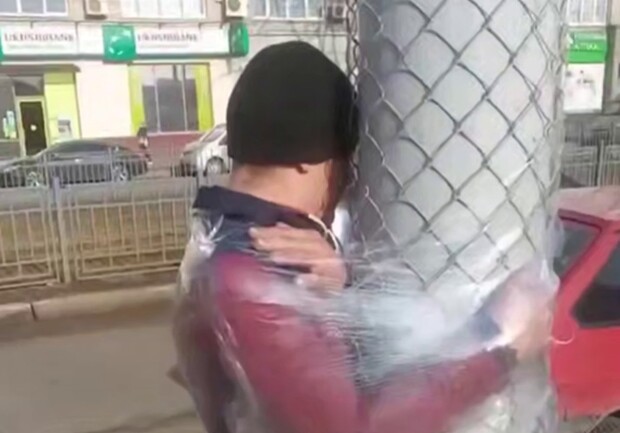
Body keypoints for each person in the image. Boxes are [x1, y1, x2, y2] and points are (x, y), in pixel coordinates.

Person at [173, 41, 550, 433]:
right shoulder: (250, 282)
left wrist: (341, 296)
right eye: (344, 163)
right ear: (308, 157)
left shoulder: (218, 245)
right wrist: (497, 345)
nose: (348, 183)